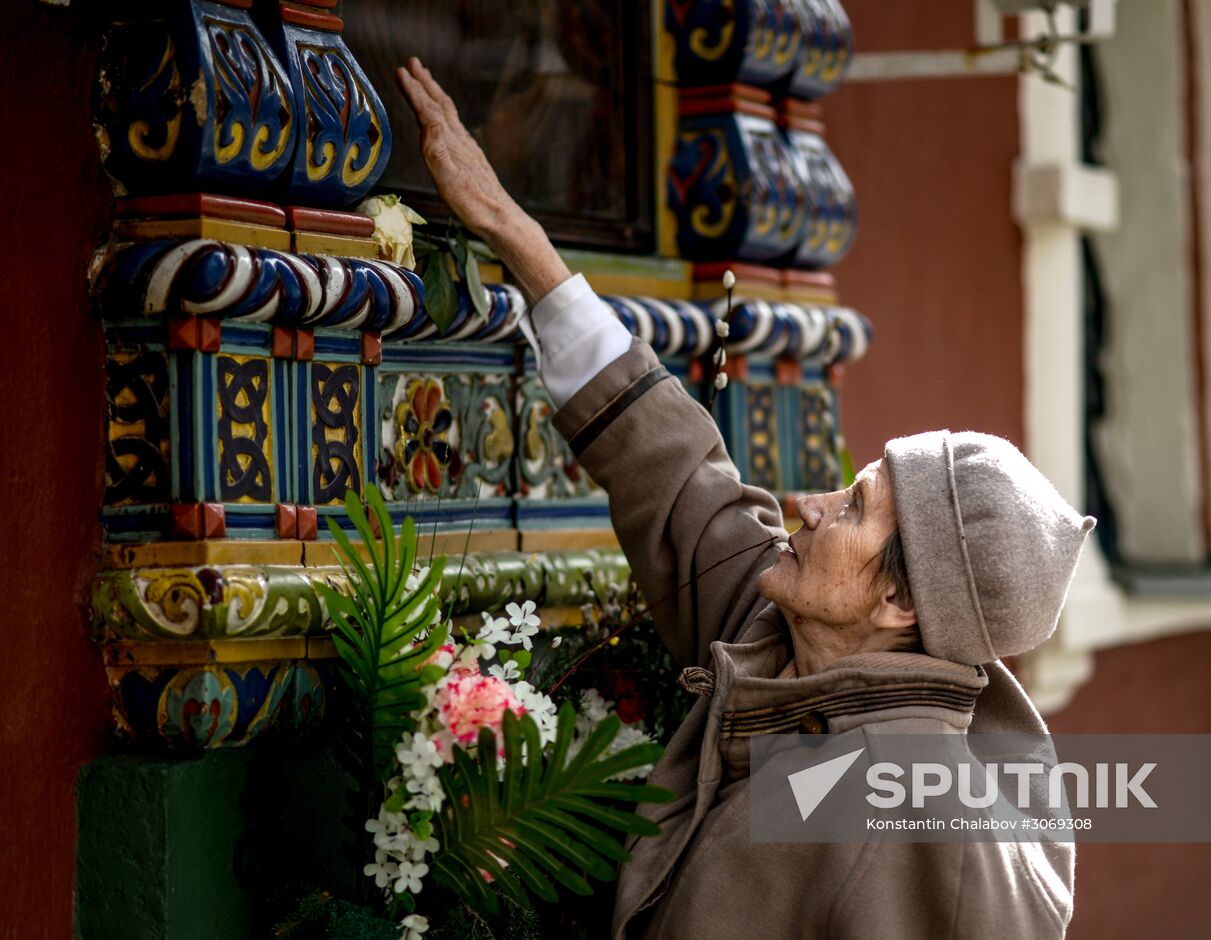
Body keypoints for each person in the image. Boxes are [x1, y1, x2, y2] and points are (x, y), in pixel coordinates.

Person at [396, 58, 1095, 939]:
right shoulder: (800, 645)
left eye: (853, 508)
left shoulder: (922, 824)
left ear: (899, 601)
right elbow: (681, 477)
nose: (809, 505)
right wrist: (510, 228)